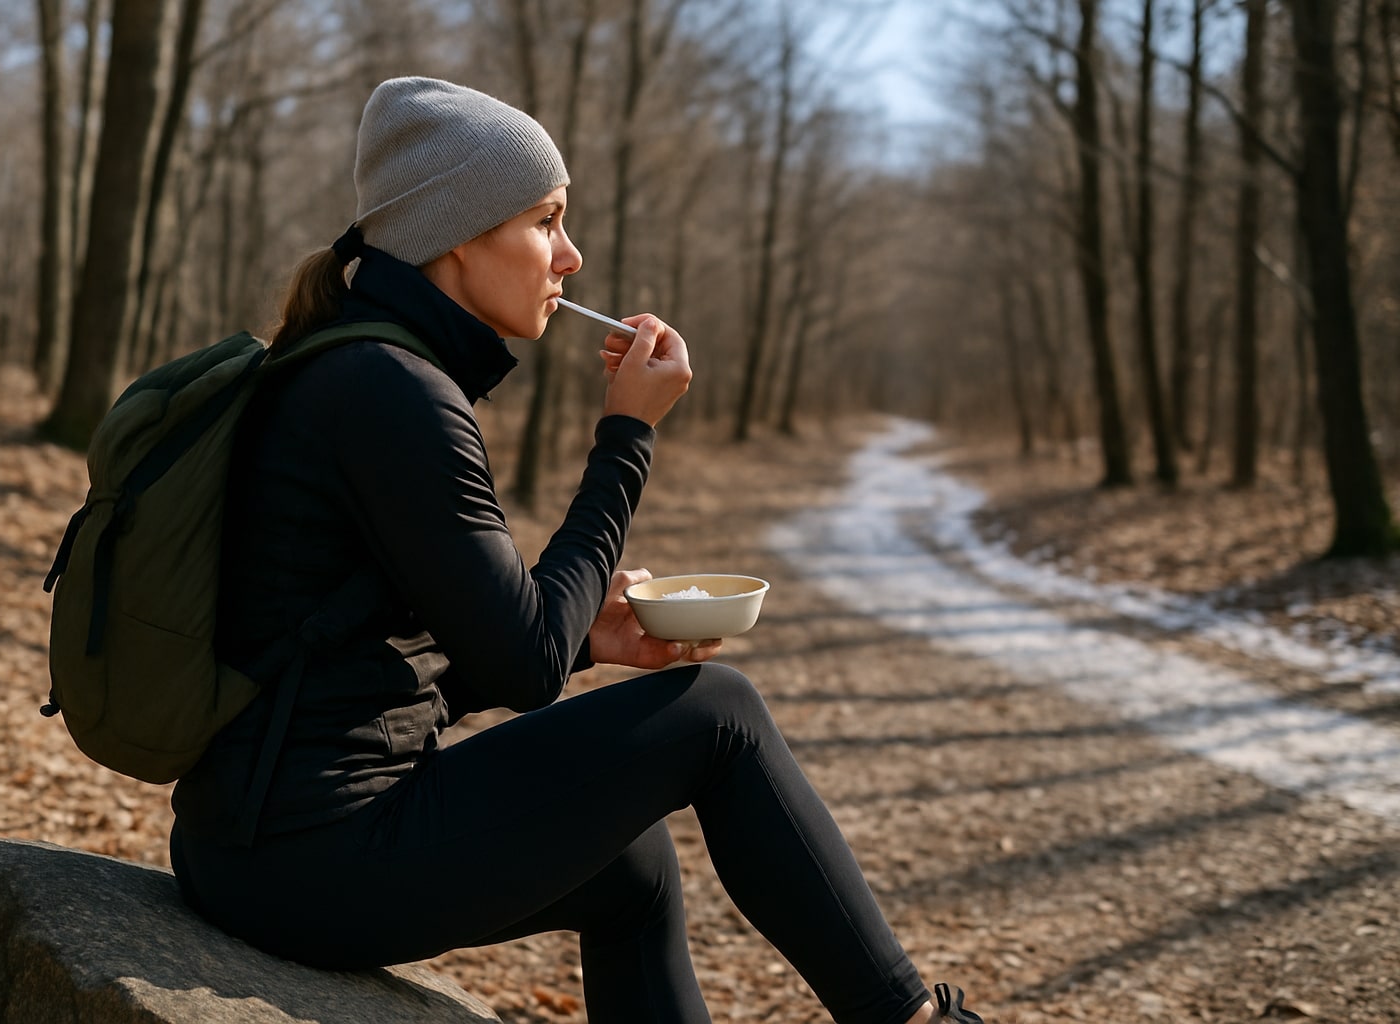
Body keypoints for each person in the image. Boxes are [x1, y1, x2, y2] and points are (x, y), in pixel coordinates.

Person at [168, 76, 984, 1024]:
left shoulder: (355, 365)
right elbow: (524, 665)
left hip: (249, 844)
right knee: (719, 711)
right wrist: (627, 439)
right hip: (311, 860)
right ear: (460, 234)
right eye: (546, 221)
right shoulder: (393, 394)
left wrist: (589, 638)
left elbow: (371, 668)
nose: (572, 254)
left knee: (629, 865)